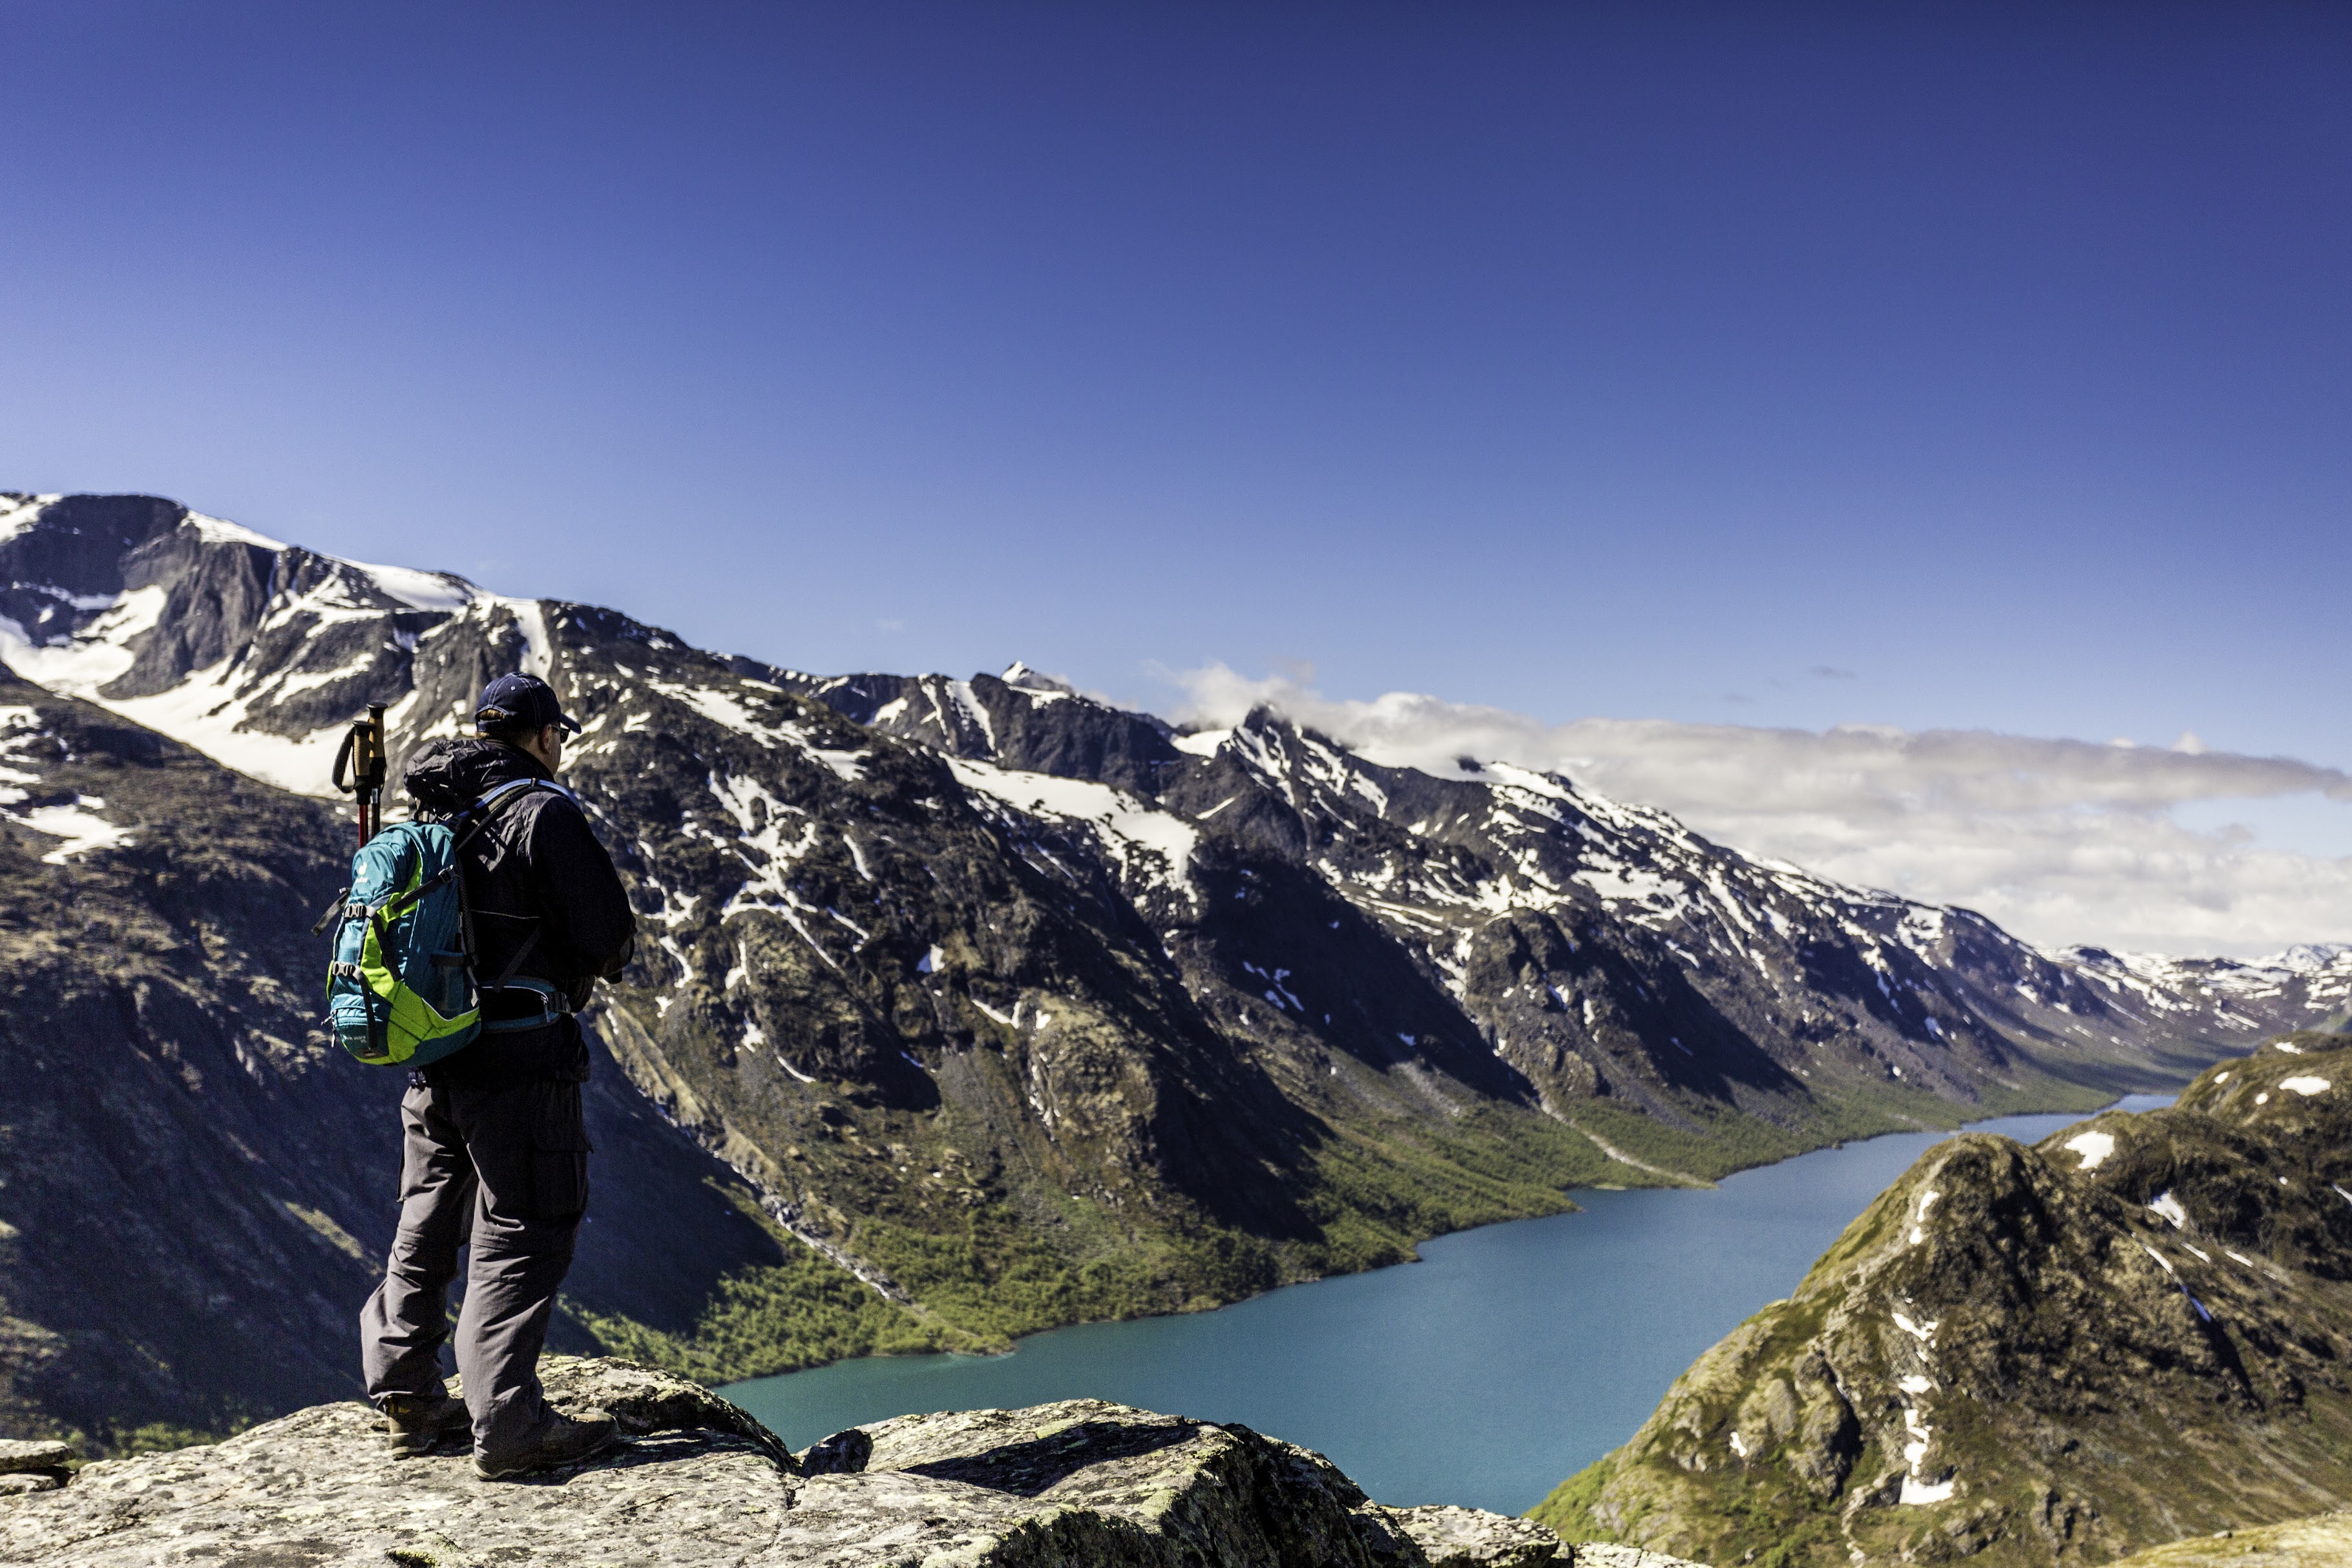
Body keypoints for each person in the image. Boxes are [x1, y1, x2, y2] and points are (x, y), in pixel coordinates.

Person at [357, 672, 638, 1479]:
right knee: (525, 1229)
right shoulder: (542, 813)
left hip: (435, 1057)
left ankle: (409, 1395)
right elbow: (608, 938)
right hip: (522, 1066)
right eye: (560, 736)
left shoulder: (433, 806)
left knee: (428, 1218)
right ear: (544, 735)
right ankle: (510, 1428)